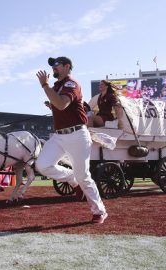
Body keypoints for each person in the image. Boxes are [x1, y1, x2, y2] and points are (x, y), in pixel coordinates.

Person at [36, 56, 107, 224]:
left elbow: (61, 104)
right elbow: (59, 105)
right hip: (60, 135)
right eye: (52, 65)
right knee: (42, 165)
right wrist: (51, 100)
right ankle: (71, 178)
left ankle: (99, 211)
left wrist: (44, 85)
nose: (53, 67)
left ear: (67, 67)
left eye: (57, 65)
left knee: (84, 176)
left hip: (77, 135)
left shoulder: (71, 84)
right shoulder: (57, 86)